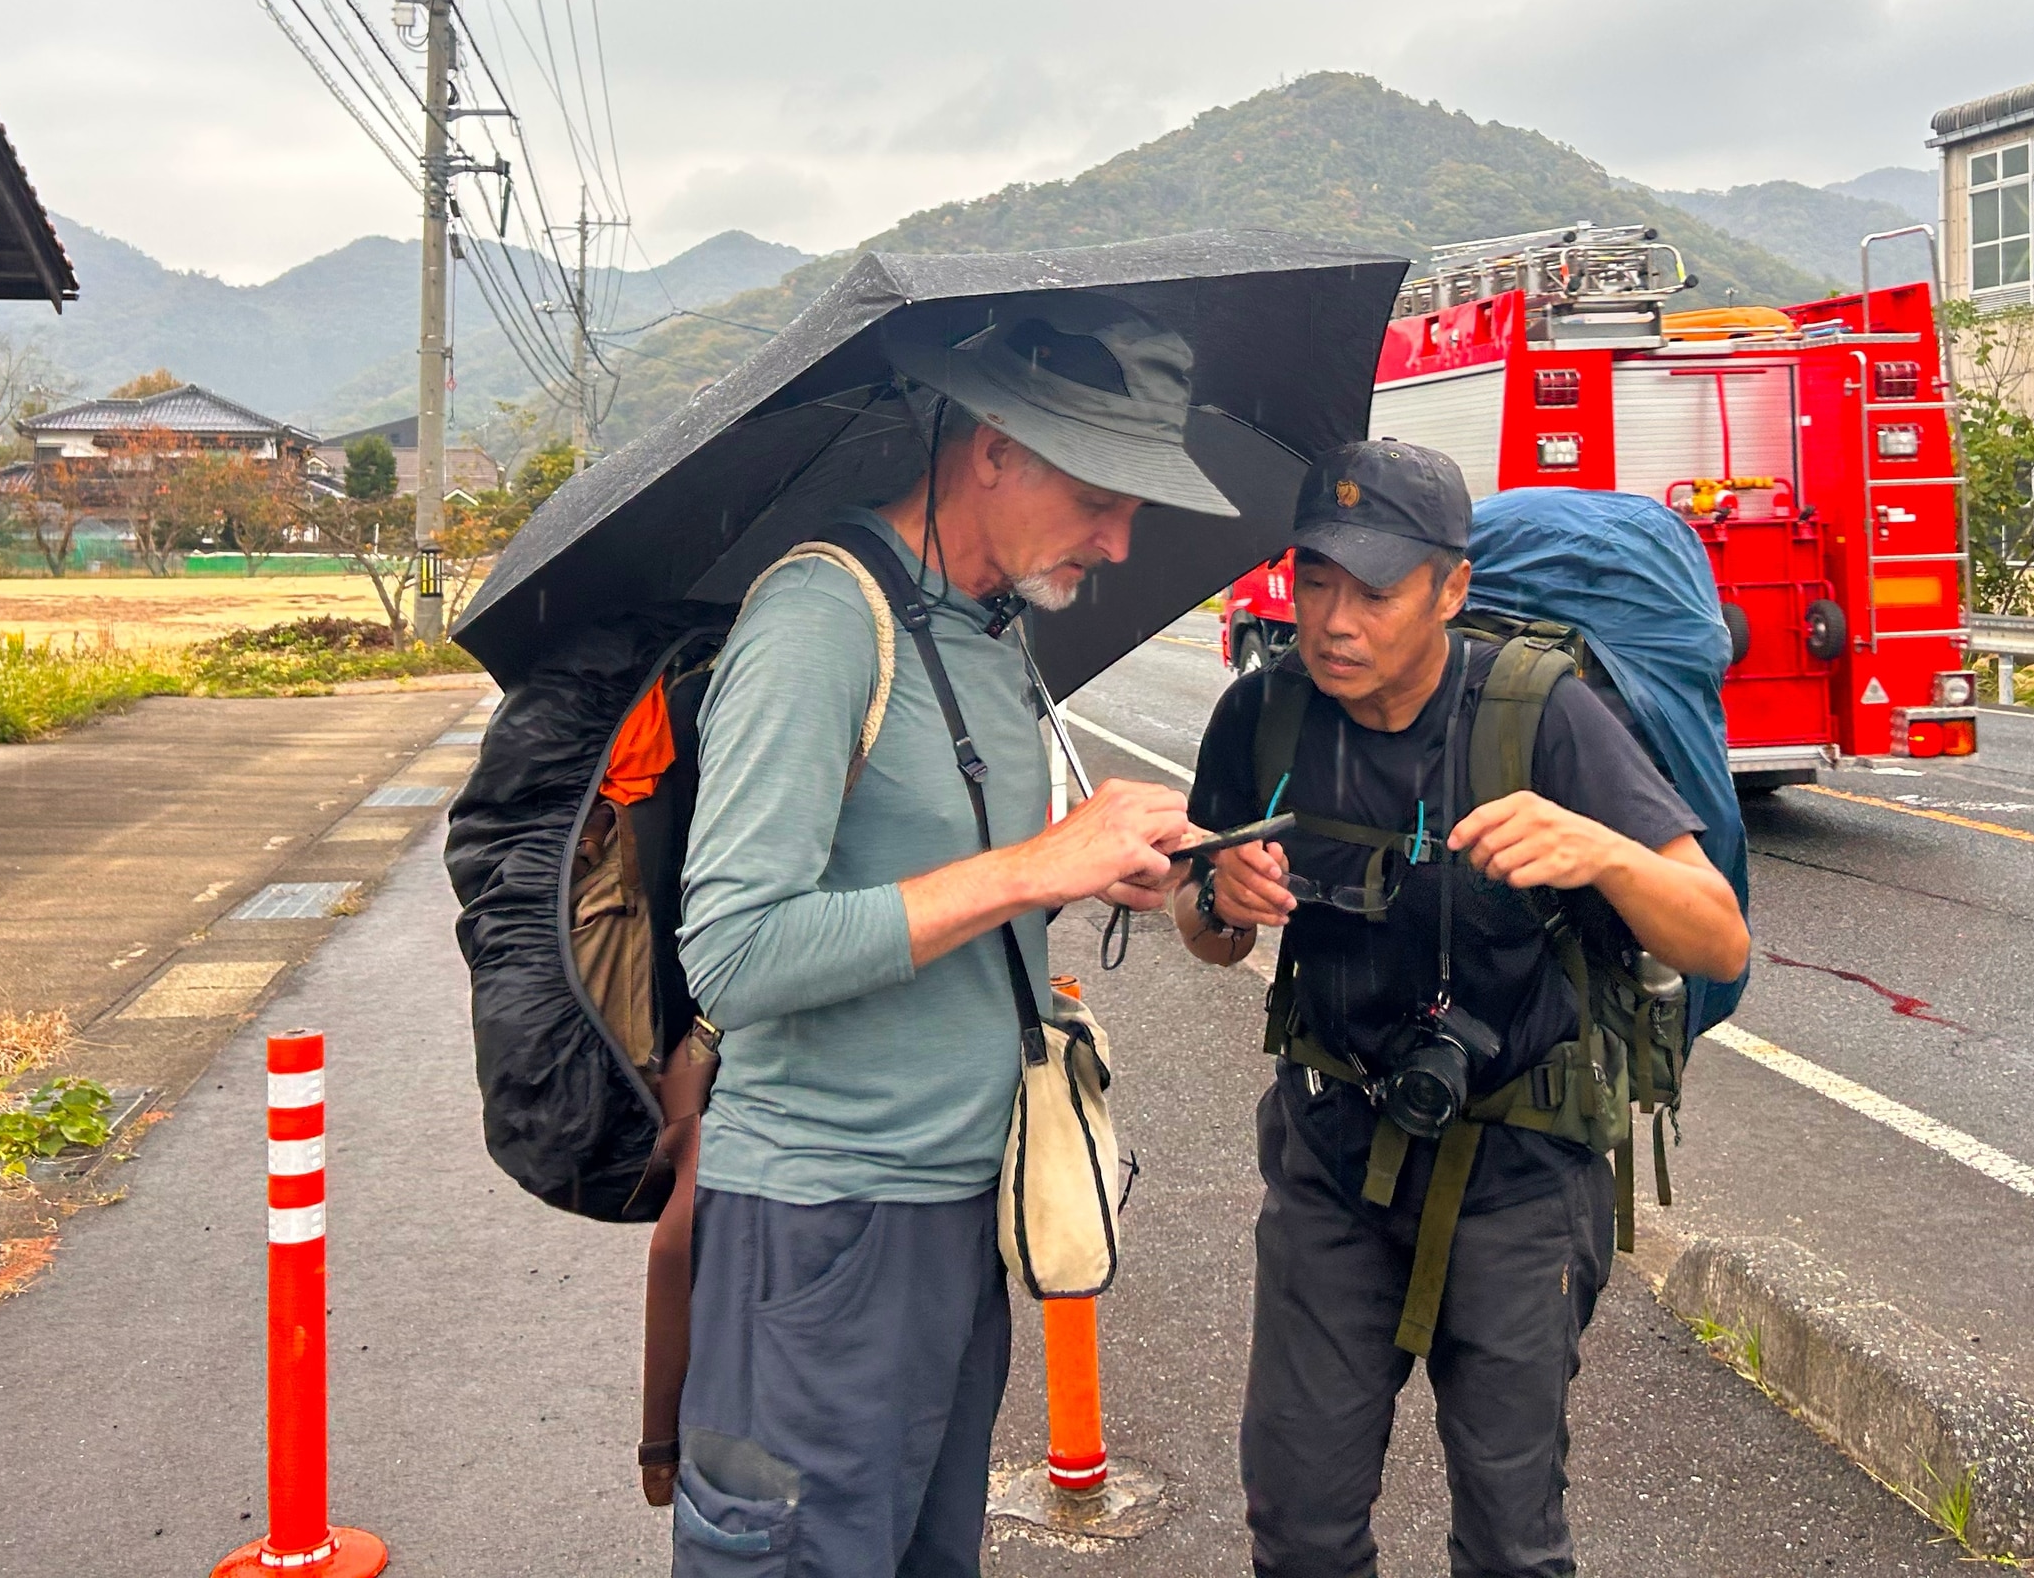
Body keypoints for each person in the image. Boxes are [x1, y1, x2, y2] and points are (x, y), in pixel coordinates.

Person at [669, 295, 1229, 1575]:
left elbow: (943, 881)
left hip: (961, 1211)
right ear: (992, 449)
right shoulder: (821, 619)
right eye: (1102, 493)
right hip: (821, 1227)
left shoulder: (992, 628)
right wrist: (1033, 862)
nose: (1122, 540)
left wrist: (1089, 869)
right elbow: (737, 953)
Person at [1173, 440, 1751, 1577]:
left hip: (1521, 1177)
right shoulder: (1262, 718)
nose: (1333, 621)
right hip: (1329, 1165)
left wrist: (1602, 852)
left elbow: (1715, 929)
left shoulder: (1546, 719)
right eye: (1316, 580)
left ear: (1450, 587)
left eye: (1375, 590)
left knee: (1510, 1539)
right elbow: (1206, 925)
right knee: (1298, 1525)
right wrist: (1214, 898)